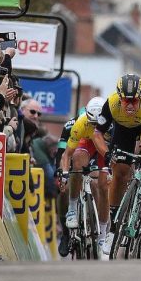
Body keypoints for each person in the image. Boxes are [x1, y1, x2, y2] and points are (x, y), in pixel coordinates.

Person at [93, 74, 141, 257]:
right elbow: (97, 135)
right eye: (125, 100)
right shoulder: (111, 104)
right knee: (120, 172)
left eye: (134, 101)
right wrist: (107, 153)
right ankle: (112, 230)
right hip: (123, 130)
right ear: (119, 97)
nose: (129, 105)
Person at [57, 97, 110, 254]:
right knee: (77, 159)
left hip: (105, 146)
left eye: (97, 124)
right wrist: (65, 174)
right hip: (85, 144)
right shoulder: (79, 124)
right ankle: (72, 208)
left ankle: (103, 234)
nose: (94, 127)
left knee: (102, 186)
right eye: (91, 123)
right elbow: (66, 154)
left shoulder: (112, 123)